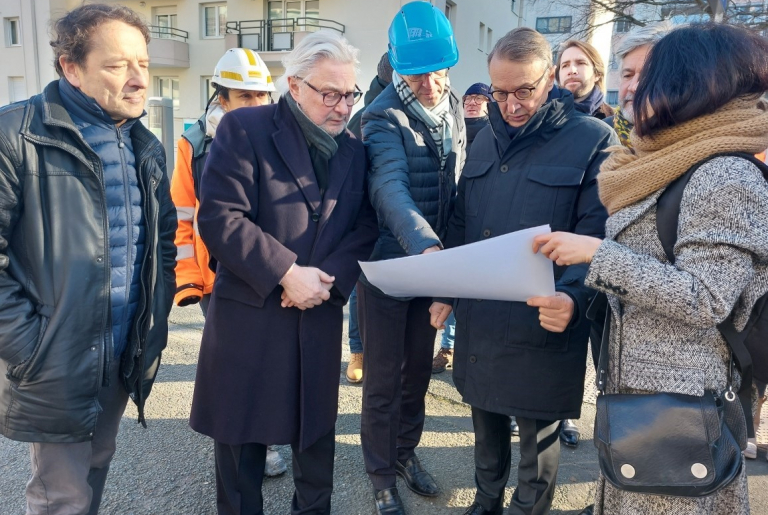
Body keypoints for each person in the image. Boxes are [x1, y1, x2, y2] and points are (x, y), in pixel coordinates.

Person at [533, 22, 768, 515]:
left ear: (691, 83)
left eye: (651, 75)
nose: (634, 89)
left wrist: (597, 255)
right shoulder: (674, 160)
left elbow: (706, 298)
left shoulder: (724, 172)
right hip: (645, 401)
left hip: (683, 413)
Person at [188, 30, 378, 515]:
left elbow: (362, 227)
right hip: (250, 318)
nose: (342, 106)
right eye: (329, 94)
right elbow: (219, 217)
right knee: (240, 454)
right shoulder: (245, 129)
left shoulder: (354, 150)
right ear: (294, 86)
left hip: (316, 314)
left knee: (314, 444)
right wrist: (287, 272)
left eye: (349, 94)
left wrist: (325, 281)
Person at [430, 27, 617, 515]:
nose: (510, 104)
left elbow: (601, 238)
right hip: (483, 317)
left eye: (524, 91)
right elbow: (461, 220)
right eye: (499, 91)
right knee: (485, 423)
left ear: (550, 78)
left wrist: (575, 301)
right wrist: (445, 289)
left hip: (544, 318)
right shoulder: (484, 139)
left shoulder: (593, 140)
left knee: (538, 438)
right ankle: (486, 501)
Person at [0, 4, 176, 514]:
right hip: (57, 356)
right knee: (62, 496)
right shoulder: (18, 136)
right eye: (118, 65)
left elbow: (161, 244)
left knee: (97, 465)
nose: (138, 78)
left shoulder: (144, 143)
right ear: (71, 68)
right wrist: (32, 346)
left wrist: (154, 319)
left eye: (143, 63)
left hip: (122, 353)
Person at [358, 3, 465, 514]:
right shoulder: (381, 117)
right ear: (398, 66)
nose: (430, 84)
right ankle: (381, 476)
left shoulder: (458, 110)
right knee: (382, 377)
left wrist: (447, 268)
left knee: (419, 371)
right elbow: (389, 187)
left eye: (438, 71)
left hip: (435, 267)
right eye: (417, 74)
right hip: (390, 267)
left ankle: (404, 453)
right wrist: (426, 247)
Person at [170, 48, 287, 477]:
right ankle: (242, 453)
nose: (256, 106)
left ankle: (270, 440)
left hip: (272, 273)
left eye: (262, 96)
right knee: (236, 370)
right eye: (244, 97)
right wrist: (189, 281)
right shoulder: (195, 145)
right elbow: (182, 217)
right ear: (222, 99)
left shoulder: (282, 137)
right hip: (218, 280)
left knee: (273, 363)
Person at [431, 82, 491, 375]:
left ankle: (453, 346)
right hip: (452, 216)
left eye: (480, 98)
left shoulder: (493, 133)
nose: (472, 102)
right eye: (469, 97)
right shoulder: (452, 126)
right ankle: (449, 345)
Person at [345, 52, 394, 384]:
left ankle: (384, 352)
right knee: (358, 289)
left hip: (401, 224)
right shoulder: (362, 118)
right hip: (366, 220)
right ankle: (357, 350)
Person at [604, 22, 673, 147]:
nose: (633, 87)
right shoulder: (598, 136)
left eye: (648, 76)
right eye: (627, 76)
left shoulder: (693, 143)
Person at [556, 40, 613, 119]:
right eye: (565, 65)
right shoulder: (542, 115)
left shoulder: (614, 121)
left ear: (597, 74)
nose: (572, 70)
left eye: (581, 63)